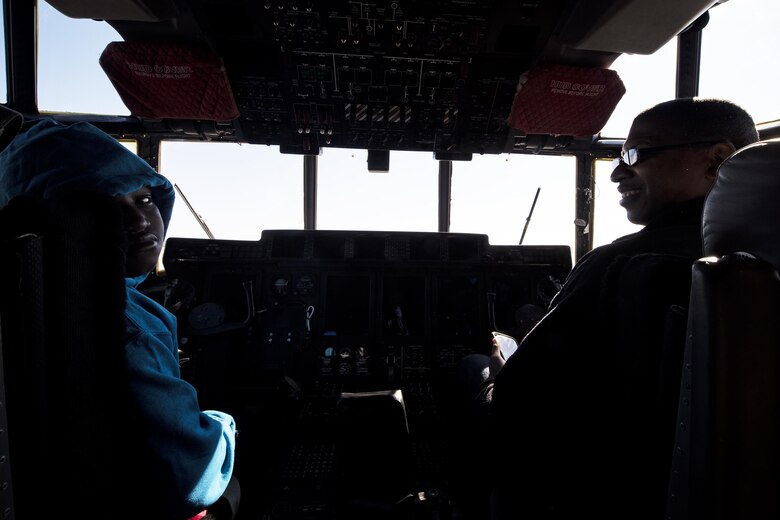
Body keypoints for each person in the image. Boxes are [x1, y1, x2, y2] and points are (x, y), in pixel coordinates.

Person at [455, 97, 759, 519]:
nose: (617, 172)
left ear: (717, 161)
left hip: (599, 493)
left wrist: (499, 376)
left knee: (475, 366)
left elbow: (516, 413)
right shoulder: (762, 263)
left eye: (636, 154)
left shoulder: (623, 264)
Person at [0, 118, 237, 519]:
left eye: (144, 199)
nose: (141, 222)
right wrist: (225, 423)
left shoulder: (31, 291)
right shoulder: (127, 325)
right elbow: (192, 476)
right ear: (68, 222)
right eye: (108, 208)